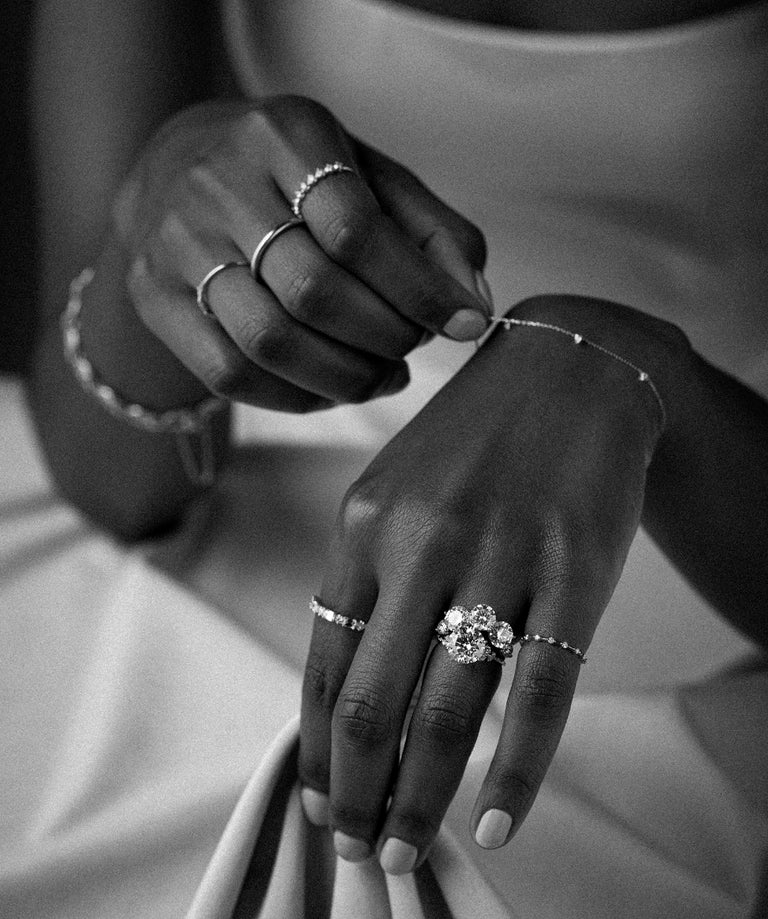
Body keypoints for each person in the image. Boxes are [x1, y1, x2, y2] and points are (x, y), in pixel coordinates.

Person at [14, 0, 768, 915]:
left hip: (713, 510)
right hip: (272, 459)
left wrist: (647, 383)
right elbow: (110, 479)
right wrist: (155, 236)